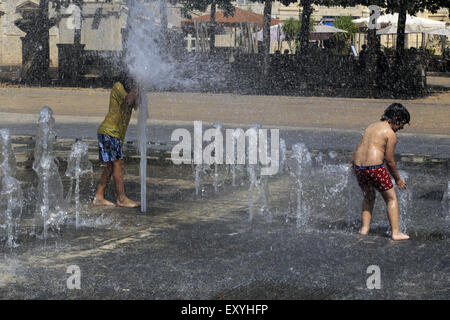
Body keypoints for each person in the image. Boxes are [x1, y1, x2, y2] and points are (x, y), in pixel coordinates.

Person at [351, 103, 410, 241]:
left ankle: (364, 229)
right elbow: (389, 161)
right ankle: (396, 232)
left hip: (359, 168)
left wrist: (351, 164)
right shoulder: (390, 133)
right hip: (375, 168)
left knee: (369, 196)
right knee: (391, 198)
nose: (401, 128)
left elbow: (359, 146)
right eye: (401, 124)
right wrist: (398, 179)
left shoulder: (371, 127)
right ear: (395, 118)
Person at [93, 74, 140, 208]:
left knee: (111, 166)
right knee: (118, 163)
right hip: (109, 132)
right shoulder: (118, 87)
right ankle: (121, 198)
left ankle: (99, 197)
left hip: (113, 134)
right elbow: (129, 100)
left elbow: (138, 104)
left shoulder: (130, 90)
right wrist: (138, 85)